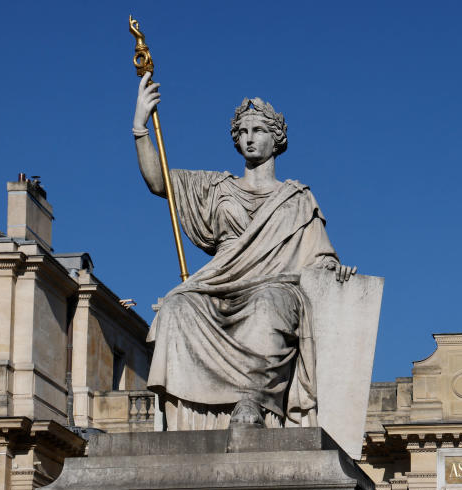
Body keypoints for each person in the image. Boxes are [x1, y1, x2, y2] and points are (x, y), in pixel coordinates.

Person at [133, 75, 355, 428]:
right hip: (220, 282)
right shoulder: (215, 186)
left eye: (259, 130)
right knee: (176, 306)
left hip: (275, 284)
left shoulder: (297, 199)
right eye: (243, 131)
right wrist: (141, 127)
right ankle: (186, 419)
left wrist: (334, 269)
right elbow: (159, 182)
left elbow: (320, 257)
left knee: (270, 303)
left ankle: (254, 401)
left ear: (276, 138)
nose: (250, 138)